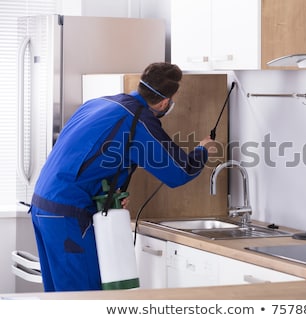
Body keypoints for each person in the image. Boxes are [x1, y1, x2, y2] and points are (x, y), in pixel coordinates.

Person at [30, 62, 214, 292]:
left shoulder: (100, 103)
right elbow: (180, 172)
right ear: (166, 101)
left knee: (60, 296)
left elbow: (83, 155)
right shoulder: (137, 120)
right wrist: (203, 150)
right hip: (69, 215)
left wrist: (105, 193)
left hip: (42, 206)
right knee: (83, 298)